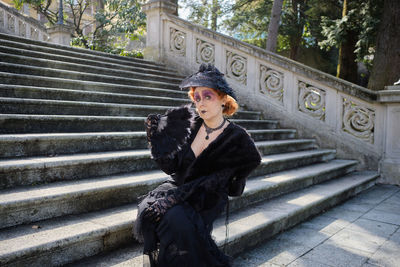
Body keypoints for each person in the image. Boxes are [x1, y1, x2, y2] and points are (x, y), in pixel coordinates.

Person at [133, 63, 262, 267]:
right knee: (147, 208)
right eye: (197, 97)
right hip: (178, 187)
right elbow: (172, 167)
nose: (200, 102)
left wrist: (170, 201)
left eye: (207, 96)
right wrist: (156, 140)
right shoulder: (191, 126)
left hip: (206, 196)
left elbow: (215, 183)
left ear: (222, 99)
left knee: (173, 217)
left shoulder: (238, 139)